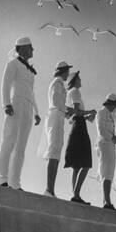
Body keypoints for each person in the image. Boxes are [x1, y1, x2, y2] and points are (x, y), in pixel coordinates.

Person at [0, 37, 41, 190]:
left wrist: (36, 111)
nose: (33, 50)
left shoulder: (30, 70)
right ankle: (1, 178)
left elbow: (31, 92)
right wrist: (6, 103)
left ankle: (15, 182)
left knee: (21, 147)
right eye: (30, 47)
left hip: (27, 107)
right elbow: (5, 83)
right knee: (9, 140)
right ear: (21, 48)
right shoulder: (13, 64)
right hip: (16, 104)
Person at [63, 71, 97, 205]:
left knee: (77, 165)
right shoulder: (75, 91)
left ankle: (75, 195)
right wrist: (90, 112)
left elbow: (74, 114)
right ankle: (76, 194)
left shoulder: (71, 92)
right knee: (86, 163)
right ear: (75, 80)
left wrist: (86, 116)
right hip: (80, 127)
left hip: (78, 124)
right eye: (79, 78)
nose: (81, 80)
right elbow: (77, 111)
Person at [43, 61, 73, 197]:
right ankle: (48, 189)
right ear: (63, 71)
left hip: (59, 116)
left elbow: (60, 104)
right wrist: (69, 110)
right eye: (67, 71)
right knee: (53, 152)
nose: (68, 74)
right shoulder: (57, 83)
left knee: (56, 154)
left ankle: (51, 189)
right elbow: (56, 102)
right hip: (55, 116)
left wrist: (66, 112)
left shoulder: (60, 84)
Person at [96, 93, 116, 209]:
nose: (115, 106)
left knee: (109, 173)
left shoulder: (110, 114)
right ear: (110, 104)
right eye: (114, 104)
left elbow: (114, 113)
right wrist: (114, 138)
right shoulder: (102, 113)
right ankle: (107, 202)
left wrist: (115, 138)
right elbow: (101, 130)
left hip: (110, 145)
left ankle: (106, 201)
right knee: (106, 173)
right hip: (105, 144)